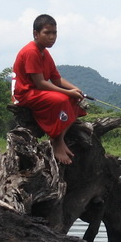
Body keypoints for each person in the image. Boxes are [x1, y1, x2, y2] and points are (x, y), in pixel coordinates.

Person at [12, 14, 86, 164]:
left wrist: (75, 90)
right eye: (47, 33)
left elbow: (57, 79)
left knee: (73, 99)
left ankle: (60, 138)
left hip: (38, 91)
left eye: (54, 33)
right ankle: (57, 141)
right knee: (63, 99)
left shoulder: (45, 52)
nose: (52, 37)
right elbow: (40, 83)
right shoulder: (31, 51)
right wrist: (68, 93)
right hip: (25, 94)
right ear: (36, 34)